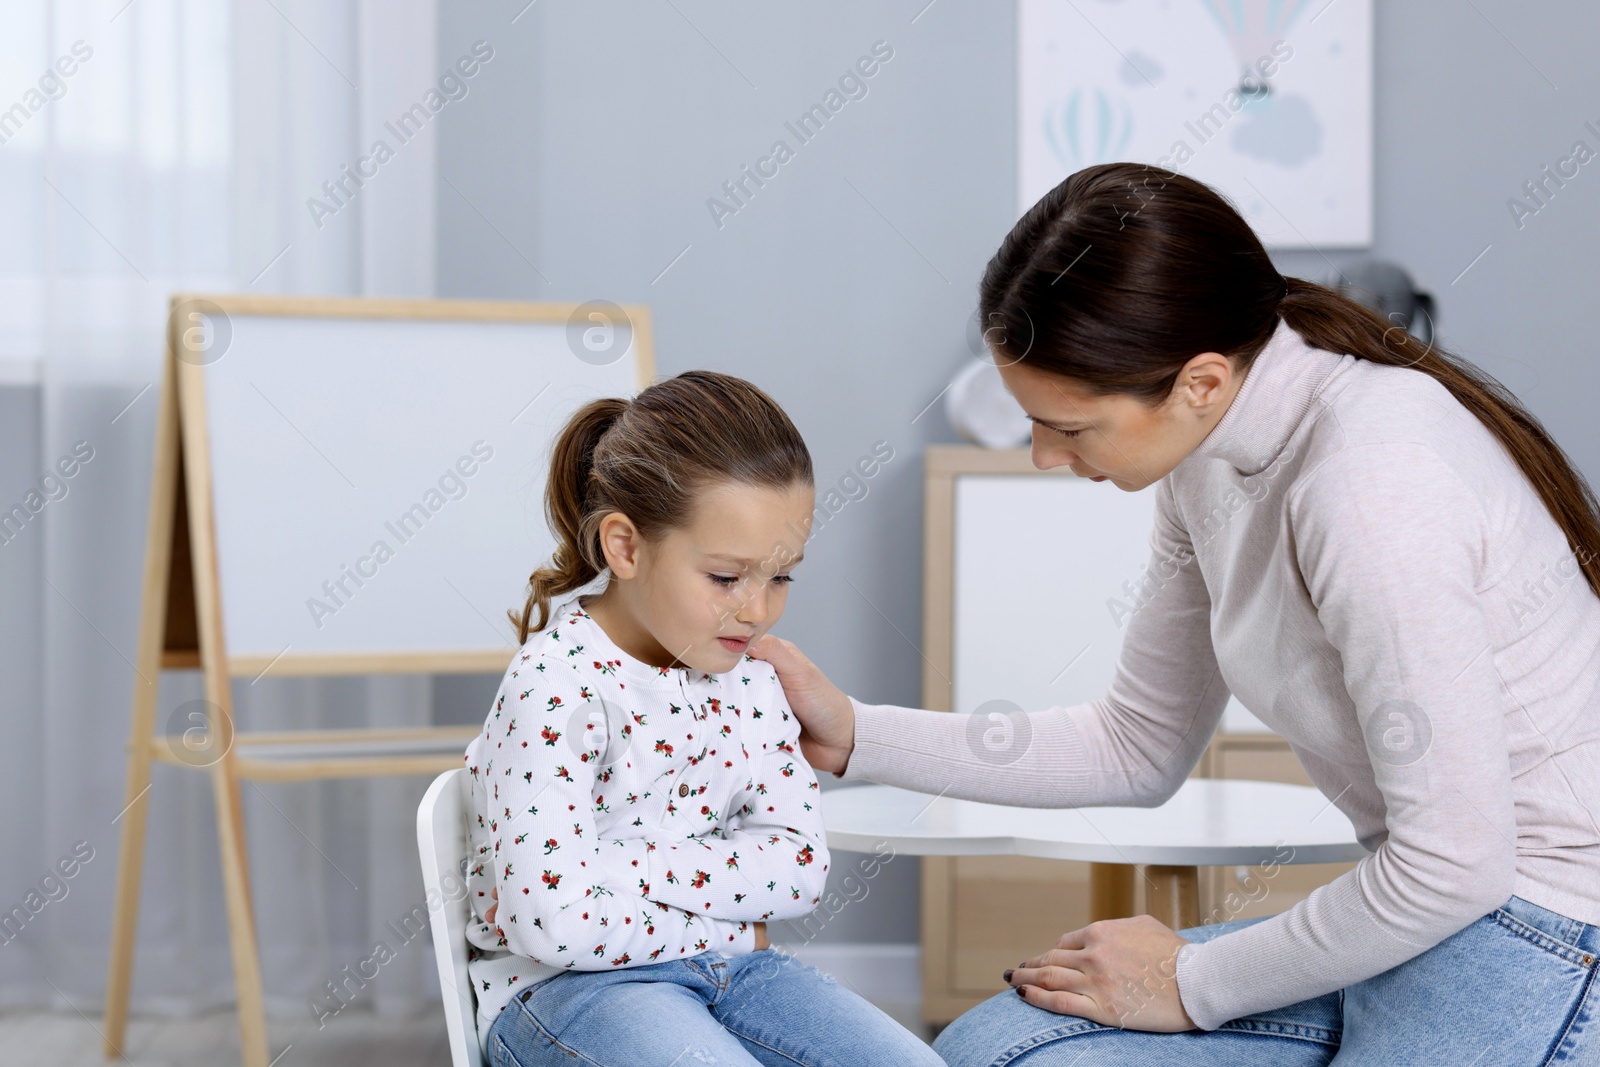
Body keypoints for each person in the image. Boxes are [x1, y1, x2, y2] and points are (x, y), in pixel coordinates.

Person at [750, 163, 1600, 1064]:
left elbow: (1457, 863)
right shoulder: (1206, 457)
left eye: (1069, 427)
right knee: (1001, 1051)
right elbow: (1138, 743)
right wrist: (854, 733)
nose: (1041, 455)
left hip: (1543, 924)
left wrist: (1191, 984)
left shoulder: (1370, 484)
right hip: (1422, 911)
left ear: (1198, 381)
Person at [463, 370, 944, 1067]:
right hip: (568, 993)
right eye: (727, 577)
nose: (757, 610)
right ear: (625, 547)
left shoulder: (750, 680)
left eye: (781, 576)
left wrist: (613, 864)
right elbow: (555, 926)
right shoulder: (556, 684)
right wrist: (737, 930)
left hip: (733, 976)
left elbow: (797, 869)